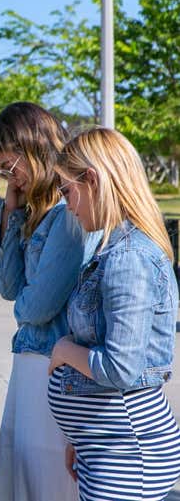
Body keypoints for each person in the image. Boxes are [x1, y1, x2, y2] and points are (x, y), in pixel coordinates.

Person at [48, 127, 180, 501]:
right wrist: (83, 437)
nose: (68, 205)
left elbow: (121, 369)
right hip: (107, 445)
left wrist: (62, 351)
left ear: (92, 179)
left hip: (127, 452)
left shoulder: (128, 258)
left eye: (66, 191)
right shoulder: (117, 248)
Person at [0, 102, 99, 501]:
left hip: (54, 369)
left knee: (45, 481)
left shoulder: (69, 217)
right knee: (23, 478)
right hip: (30, 363)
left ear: (33, 149)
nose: (5, 176)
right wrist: (10, 212)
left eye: (7, 166)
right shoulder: (35, 212)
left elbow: (36, 306)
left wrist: (22, 310)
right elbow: (9, 286)